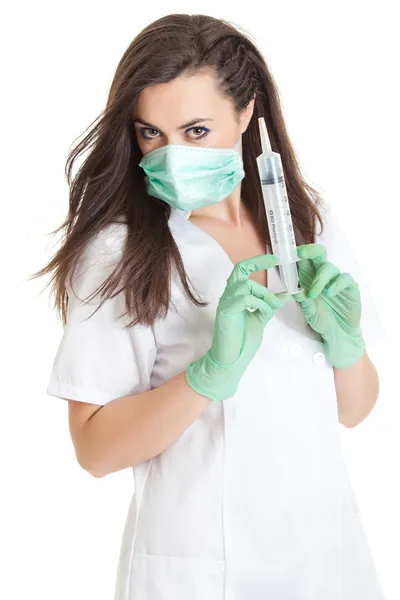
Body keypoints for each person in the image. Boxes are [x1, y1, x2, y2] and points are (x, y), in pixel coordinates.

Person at [36, 13, 386, 600]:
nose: (172, 156)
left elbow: (353, 410)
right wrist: (208, 376)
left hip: (325, 557)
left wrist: (345, 343)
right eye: (151, 133)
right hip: (200, 570)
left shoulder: (305, 220)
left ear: (247, 113)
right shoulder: (121, 250)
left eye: (196, 131)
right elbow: (94, 449)